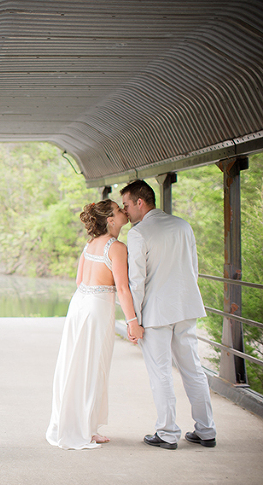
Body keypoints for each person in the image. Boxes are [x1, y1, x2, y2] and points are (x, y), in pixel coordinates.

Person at [120, 179, 217, 450]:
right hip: (185, 307)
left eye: (127, 205)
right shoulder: (182, 225)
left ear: (140, 202)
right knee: (193, 369)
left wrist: (133, 320)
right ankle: (206, 430)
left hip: (156, 313)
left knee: (160, 372)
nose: (125, 211)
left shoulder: (139, 233)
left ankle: (167, 432)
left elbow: (136, 281)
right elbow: (192, 268)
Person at [46, 199, 140, 449]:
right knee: (93, 365)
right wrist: (132, 322)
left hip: (79, 305)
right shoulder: (117, 247)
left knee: (75, 363)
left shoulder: (90, 244)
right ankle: (84, 428)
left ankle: (83, 425)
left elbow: (79, 280)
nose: (124, 212)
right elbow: (122, 288)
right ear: (110, 219)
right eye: (119, 210)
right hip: (97, 307)